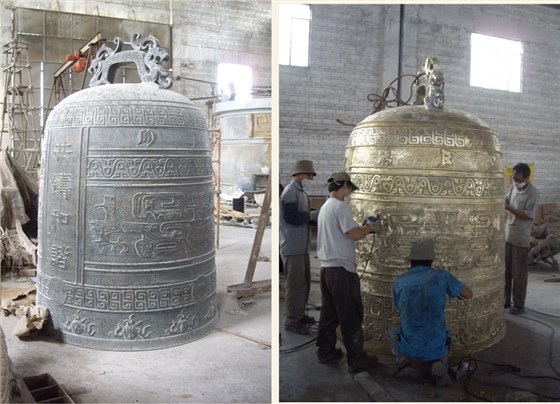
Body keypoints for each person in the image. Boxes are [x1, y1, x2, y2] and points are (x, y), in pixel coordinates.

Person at [315, 171, 380, 375]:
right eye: (349, 189)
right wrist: (370, 227)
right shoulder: (339, 206)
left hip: (326, 270)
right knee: (350, 316)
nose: (350, 193)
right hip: (341, 272)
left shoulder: (325, 207)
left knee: (329, 315)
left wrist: (362, 227)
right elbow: (353, 234)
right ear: (343, 186)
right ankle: (357, 361)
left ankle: (325, 351)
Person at [392, 239, 473, 387]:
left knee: (393, 330)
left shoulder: (399, 281)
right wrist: (453, 290)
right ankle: (439, 363)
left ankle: (405, 363)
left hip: (410, 346)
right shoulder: (442, 276)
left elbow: (399, 306)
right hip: (436, 346)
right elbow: (468, 294)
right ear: (431, 259)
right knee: (445, 334)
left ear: (411, 260)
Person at [280, 160, 317, 334]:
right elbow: (292, 218)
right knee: (295, 286)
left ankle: (300, 315)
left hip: (302, 247)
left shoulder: (301, 192)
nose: (311, 176)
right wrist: (312, 215)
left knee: (304, 284)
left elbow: (303, 216)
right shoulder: (290, 192)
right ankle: (292, 322)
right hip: (292, 246)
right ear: (303, 173)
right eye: (310, 174)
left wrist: (316, 216)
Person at [504, 162, 539, 315]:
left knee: (519, 273)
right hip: (508, 236)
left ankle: (518, 304)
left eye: (517, 179)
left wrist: (508, 208)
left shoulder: (533, 193)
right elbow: (505, 200)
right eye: (513, 177)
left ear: (526, 178)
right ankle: (505, 300)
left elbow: (526, 215)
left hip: (521, 238)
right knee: (506, 271)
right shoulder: (514, 188)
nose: (515, 180)